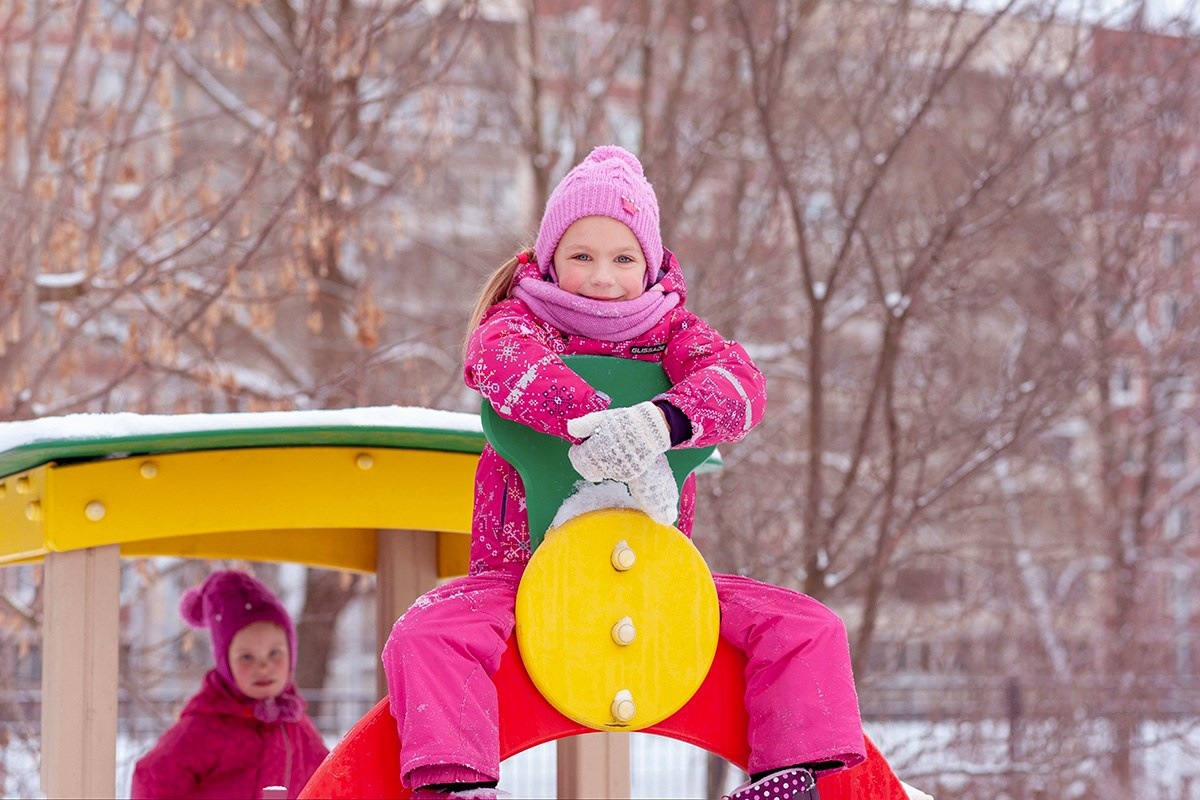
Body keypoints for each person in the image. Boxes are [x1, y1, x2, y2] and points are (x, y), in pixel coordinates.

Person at [382, 145, 866, 800]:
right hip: (525, 581)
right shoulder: (522, 323)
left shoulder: (674, 334)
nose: (602, 277)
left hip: (651, 583)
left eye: (622, 258)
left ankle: (786, 779)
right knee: (429, 631)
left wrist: (658, 426)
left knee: (808, 627)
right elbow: (504, 365)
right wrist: (596, 422)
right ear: (551, 259)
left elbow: (742, 387)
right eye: (581, 256)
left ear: (651, 263)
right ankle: (459, 787)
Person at [131, 569, 329, 799]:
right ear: (226, 663)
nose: (263, 667)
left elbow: (330, 778)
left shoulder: (296, 727)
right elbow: (153, 776)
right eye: (247, 657)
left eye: (274, 653)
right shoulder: (205, 727)